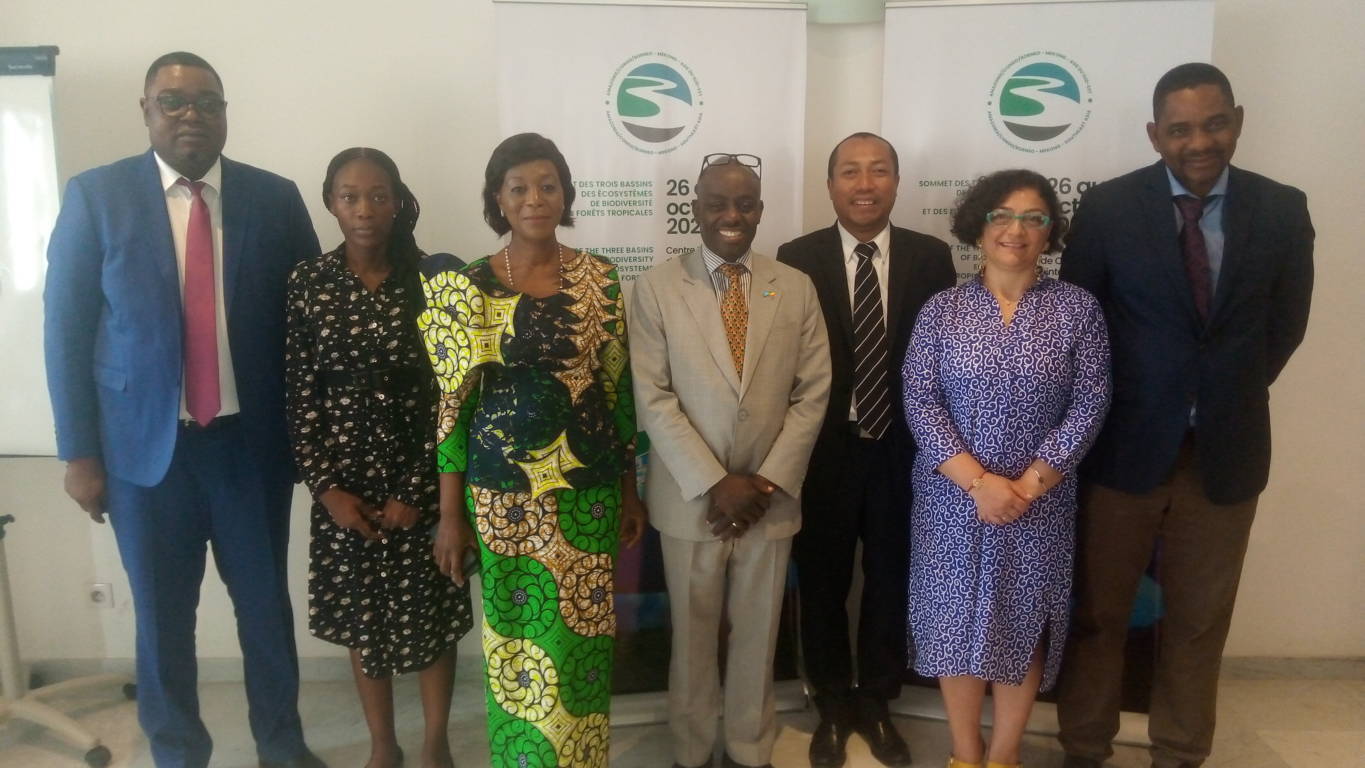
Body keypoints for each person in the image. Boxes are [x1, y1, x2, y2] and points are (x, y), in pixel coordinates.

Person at [43, 52, 324, 768]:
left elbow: (310, 328)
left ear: (226, 113)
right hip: (143, 455)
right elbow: (66, 328)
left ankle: (281, 746)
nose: (191, 114)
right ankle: (175, 753)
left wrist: (313, 442)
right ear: (146, 111)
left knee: (265, 611)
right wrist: (80, 453)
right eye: (172, 101)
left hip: (248, 449)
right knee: (163, 618)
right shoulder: (96, 196)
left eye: (207, 101)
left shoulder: (274, 198)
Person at [1055, 63, 1314, 768]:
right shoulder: (1109, 208)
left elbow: (1285, 326)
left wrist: (1217, 394)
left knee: (1199, 621)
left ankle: (1178, 751)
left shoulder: (1281, 209)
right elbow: (1081, 323)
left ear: (1237, 120)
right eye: (1179, 130)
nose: (1198, 142)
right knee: (1098, 614)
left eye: (1213, 124)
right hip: (1121, 450)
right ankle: (1083, 747)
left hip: (1224, 452)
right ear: (1154, 134)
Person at [417, 132, 646, 768]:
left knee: (583, 640)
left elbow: (617, 389)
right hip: (501, 499)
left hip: (588, 496)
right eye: (518, 188)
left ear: (565, 195)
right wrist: (451, 514)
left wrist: (631, 490)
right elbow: (452, 408)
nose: (534, 199)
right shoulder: (467, 284)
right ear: (498, 199)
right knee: (515, 648)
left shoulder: (600, 277)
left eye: (547, 186)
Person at [903, 170, 1111, 768]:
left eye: (1033, 218)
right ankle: (965, 755)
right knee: (955, 626)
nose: (1015, 230)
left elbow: (1091, 401)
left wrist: (1026, 485)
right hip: (952, 501)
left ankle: (1005, 756)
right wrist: (979, 483)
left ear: (1049, 233)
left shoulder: (1078, 310)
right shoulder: (942, 310)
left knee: (1020, 629)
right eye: (1002, 215)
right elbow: (920, 399)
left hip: (1037, 503)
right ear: (979, 227)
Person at [630, 153, 831, 768]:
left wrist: (764, 482)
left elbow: (813, 391)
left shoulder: (794, 286)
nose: (731, 215)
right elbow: (653, 397)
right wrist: (716, 482)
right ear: (696, 209)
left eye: (744, 204)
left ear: (760, 211)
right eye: (717, 203)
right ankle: (691, 751)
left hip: (770, 500)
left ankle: (749, 748)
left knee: (758, 636)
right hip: (693, 500)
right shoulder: (656, 288)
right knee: (691, 639)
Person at [284, 148, 473, 768]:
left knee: (432, 620)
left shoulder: (432, 281)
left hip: (421, 480)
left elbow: (450, 394)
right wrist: (328, 491)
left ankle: (435, 745)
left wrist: (417, 491)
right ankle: (383, 746)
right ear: (330, 203)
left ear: (397, 203)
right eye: (349, 196)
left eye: (377, 196)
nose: (364, 209)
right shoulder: (308, 283)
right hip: (346, 491)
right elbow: (299, 395)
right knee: (364, 622)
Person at [776, 132, 956, 768]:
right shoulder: (796, 258)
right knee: (822, 581)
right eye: (850, 171)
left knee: (890, 578)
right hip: (823, 450)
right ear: (830, 186)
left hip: (904, 450)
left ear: (897, 182)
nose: (865, 184)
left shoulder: (931, 258)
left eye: (878, 170)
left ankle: (878, 700)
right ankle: (829, 703)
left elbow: (942, 360)